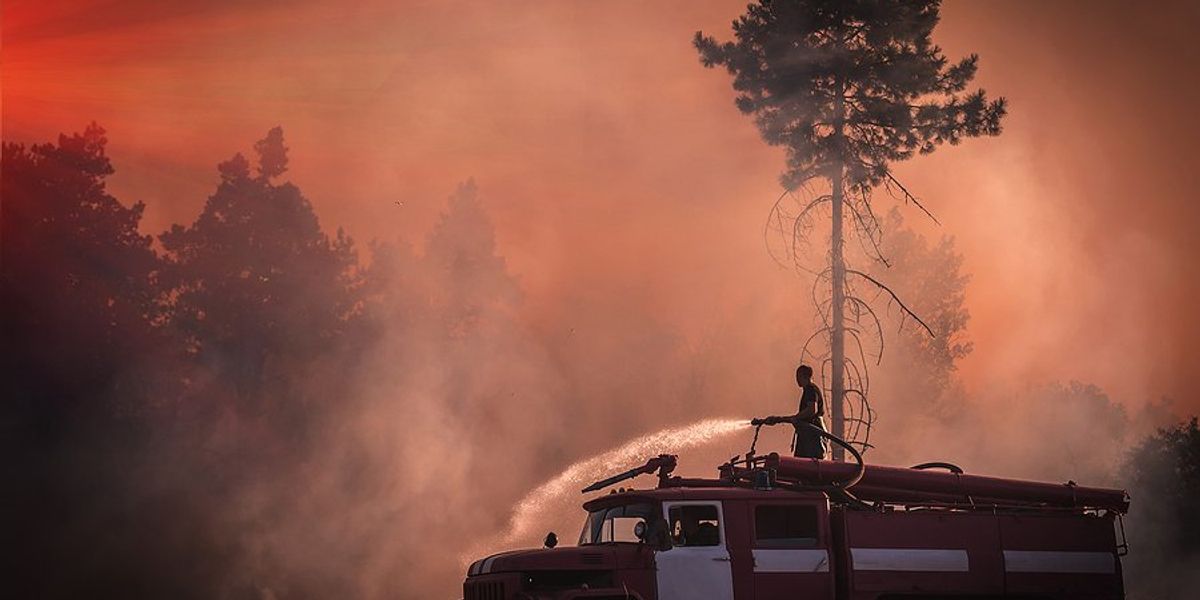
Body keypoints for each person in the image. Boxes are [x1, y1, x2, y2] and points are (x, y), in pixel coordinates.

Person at [754, 364, 829, 459]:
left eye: (798, 376)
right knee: (801, 460)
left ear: (803, 376)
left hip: (812, 435)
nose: (796, 379)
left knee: (806, 462)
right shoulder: (809, 390)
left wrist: (796, 418)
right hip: (808, 434)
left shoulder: (811, 389)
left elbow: (811, 410)